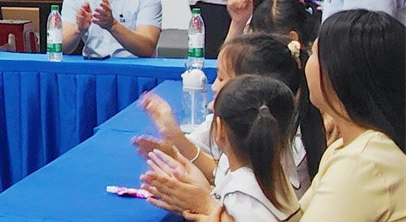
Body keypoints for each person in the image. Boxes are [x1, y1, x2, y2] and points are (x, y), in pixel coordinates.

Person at [136, 32, 323, 197]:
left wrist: (179, 142)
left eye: (222, 78)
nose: (214, 86)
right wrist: (175, 149)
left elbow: (234, 192)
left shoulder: (284, 147)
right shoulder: (237, 124)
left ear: (250, 88)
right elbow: (219, 171)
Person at [142, 75, 301, 222]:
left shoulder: (242, 193)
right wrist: (204, 189)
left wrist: (206, 215)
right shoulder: (275, 175)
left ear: (219, 129)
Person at [296, 9, 405, 222]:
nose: (307, 62)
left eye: (314, 53)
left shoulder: (364, 160)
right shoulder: (346, 147)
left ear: (339, 73)